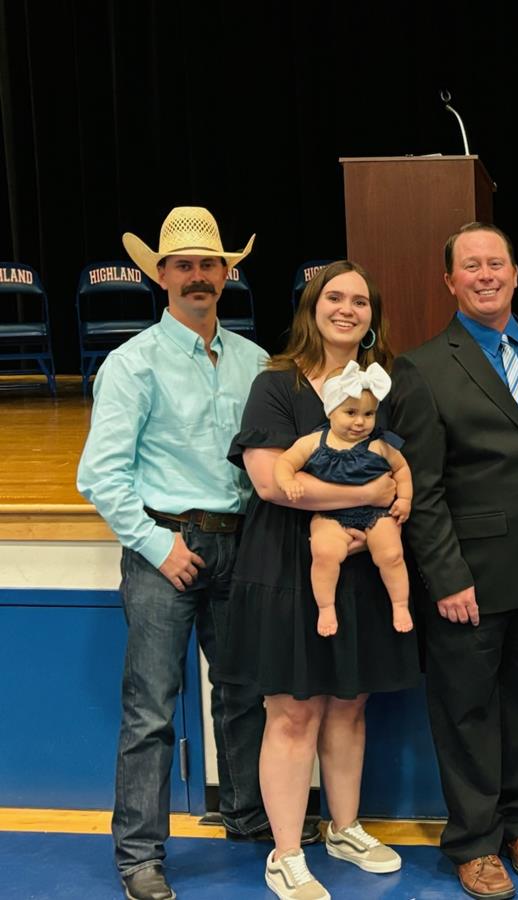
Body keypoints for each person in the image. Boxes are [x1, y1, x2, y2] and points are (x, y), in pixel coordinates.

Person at [77, 206, 277, 900]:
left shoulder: (255, 362)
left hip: (240, 547)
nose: (198, 276)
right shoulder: (132, 363)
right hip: (166, 546)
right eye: (184, 265)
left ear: (227, 274)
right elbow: (99, 474)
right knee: (152, 710)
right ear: (160, 275)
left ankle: (249, 817)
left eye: (209, 265)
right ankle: (139, 854)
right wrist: (160, 546)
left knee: (245, 695)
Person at [224, 260, 419, 900]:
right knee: (292, 710)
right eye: (334, 297)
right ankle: (285, 853)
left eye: (360, 300)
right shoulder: (277, 384)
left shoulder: (381, 386)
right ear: (311, 306)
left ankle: (344, 827)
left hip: (359, 566)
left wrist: (378, 509)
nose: (347, 308)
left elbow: (399, 476)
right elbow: (272, 483)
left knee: (349, 701)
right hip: (285, 566)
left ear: (372, 315)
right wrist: (362, 494)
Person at [391, 222, 518, 900]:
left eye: (496, 262)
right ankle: (473, 842)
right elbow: (424, 487)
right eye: (471, 266)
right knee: (465, 712)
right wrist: (446, 576)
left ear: (517, 272)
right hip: (471, 578)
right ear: (450, 281)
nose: (485, 275)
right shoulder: (423, 367)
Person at [274, 361, 414, 637]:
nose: (360, 421)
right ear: (331, 410)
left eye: (369, 414)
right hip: (330, 514)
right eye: (350, 412)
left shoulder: (380, 444)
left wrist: (405, 499)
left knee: (392, 555)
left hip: (377, 513)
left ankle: (400, 604)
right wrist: (288, 481)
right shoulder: (314, 442)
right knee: (325, 554)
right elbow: (284, 462)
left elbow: (402, 469)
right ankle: (326, 608)